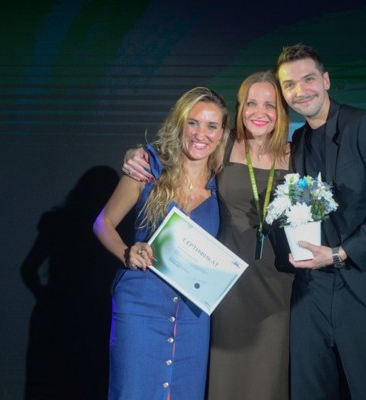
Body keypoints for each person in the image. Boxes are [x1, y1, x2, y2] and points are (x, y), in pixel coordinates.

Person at [122, 71, 294, 399]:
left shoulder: (297, 152)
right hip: (222, 285)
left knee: (268, 380)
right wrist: (138, 154)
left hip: (277, 285)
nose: (260, 112)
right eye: (251, 103)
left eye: (270, 105)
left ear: (281, 111)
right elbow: (180, 148)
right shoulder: (225, 145)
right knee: (224, 379)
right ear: (240, 108)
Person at [275, 43, 366, 400]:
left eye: (308, 79)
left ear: (326, 80)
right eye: (289, 84)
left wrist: (340, 253)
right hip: (312, 289)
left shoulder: (363, 126)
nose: (300, 91)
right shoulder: (299, 139)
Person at [93, 87, 229, 400]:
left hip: (193, 315)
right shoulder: (148, 168)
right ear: (180, 124)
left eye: (212, 126)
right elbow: (103, 223)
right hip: (141, 305)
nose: (201, 134)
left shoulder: (223, 183)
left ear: (222, 133)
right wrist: (126, 252)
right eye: (193, 122)